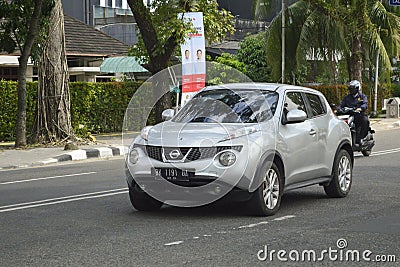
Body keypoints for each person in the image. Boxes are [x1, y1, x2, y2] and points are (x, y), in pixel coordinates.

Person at [337, 80, 370, 146]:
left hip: (359, 115)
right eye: (350, 88)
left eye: (353, 88)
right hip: (349, 115)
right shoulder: (346, 98)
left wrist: (361, 108)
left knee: (365, 120)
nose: (351, 90)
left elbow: (365, 104)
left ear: (357, 88)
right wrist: (338, 109)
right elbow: (341, 105)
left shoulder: (362, 97)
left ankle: (361, 138)